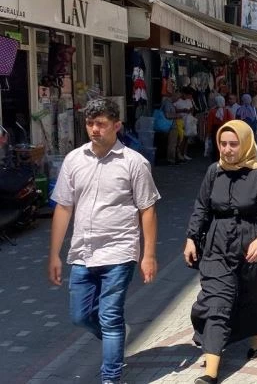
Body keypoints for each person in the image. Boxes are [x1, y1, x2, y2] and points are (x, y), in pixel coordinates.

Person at [48, 98, 160, 384]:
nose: (94, 129)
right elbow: (63, 207)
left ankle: (110, 376)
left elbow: (147, 209)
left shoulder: (135, 163)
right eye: (90, 123)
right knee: (80, 316)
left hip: (119, 252)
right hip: (83, 253)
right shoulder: (74, 160)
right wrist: (54, 254)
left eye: (101, 124)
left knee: (110, 316)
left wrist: (148, 255)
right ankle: (115, 338)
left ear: (117, 125)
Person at [184, 120, 257, 384]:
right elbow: (202, 206)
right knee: (216, 302)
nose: (227, 149)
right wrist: (191, 238)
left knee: (253, 294)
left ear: (246, 144)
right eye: (223, 144)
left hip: (251, 243)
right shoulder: (214, 171)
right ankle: (211, 371)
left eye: (233, 144)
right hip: (217, 243)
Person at [206, 95, 233, 160]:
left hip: (215, 130)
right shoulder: (226, 110)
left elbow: (209, 123)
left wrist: (208, 132)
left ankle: (217, 160)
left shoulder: (212, 111)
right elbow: (231, 121)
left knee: (216, 146)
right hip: (225, 129)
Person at [175, 87, 195, 161]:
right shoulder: (177, 100)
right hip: (180, 121)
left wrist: (190, 112)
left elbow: (192, 109)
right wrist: (182, 110)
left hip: (188, 120)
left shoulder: (189, 100)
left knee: (186, 138)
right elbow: (174, 109)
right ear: (184, 94)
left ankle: (184, 154)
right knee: (180, 138)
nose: (189, 97)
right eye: (188, 95)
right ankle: (179, 154)